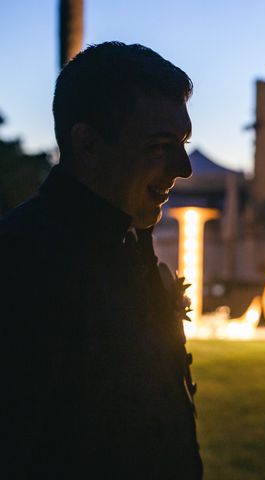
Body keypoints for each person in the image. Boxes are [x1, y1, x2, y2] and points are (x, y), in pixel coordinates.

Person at [0, 42, 202, 478]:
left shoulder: (132, 239)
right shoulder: (21, 264)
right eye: (160, 146)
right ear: (89, 145)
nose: (183, 168)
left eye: (183, 143)